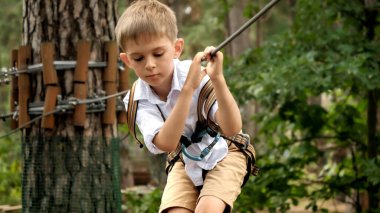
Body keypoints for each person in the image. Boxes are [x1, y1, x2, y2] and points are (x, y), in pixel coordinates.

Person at [115, 1, 252, 212]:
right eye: (139, 58)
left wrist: (218, 80)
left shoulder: (198, 73)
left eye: (158, 54)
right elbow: (166, 143)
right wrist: (187, 90)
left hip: (225, 149)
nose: (149, 64)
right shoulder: (137, 98)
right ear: (127, 60)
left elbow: (232, 129)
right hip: (184, 158)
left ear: (177, 48)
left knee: (208, 209)